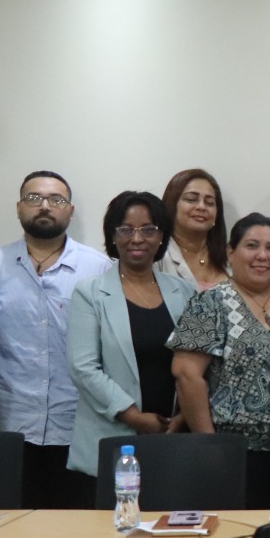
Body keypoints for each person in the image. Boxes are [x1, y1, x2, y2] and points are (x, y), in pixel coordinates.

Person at [0, 171, 111, 507]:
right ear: (19, 207)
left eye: (56, 199)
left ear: (71, 210)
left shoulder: (99, 270)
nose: (45, 206)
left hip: (76, 429)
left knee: (74, 537)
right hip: (5, 427)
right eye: (34, 198)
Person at [169, 213, 270, 508]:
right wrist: (210, 446)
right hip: (234, 452)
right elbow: (186, 375)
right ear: (231, 252)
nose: (262, 256)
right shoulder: (210, 302)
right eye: (252, 246)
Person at [67, 191, 196, 481]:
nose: (137, 239)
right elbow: (83, 367)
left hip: (172, 437)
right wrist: (134, 417)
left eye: (148, 229)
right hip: (113, 436)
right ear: (113, 237)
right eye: (126, 229)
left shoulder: (183, 292)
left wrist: (182, 417)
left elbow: (198, 364)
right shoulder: (89, 293)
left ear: (161, 236)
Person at [158, 168, 229, 290]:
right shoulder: (157, 256)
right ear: (172, 205)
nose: (201, 207)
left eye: (209, 202)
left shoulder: (229, 257)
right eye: (191, 199)